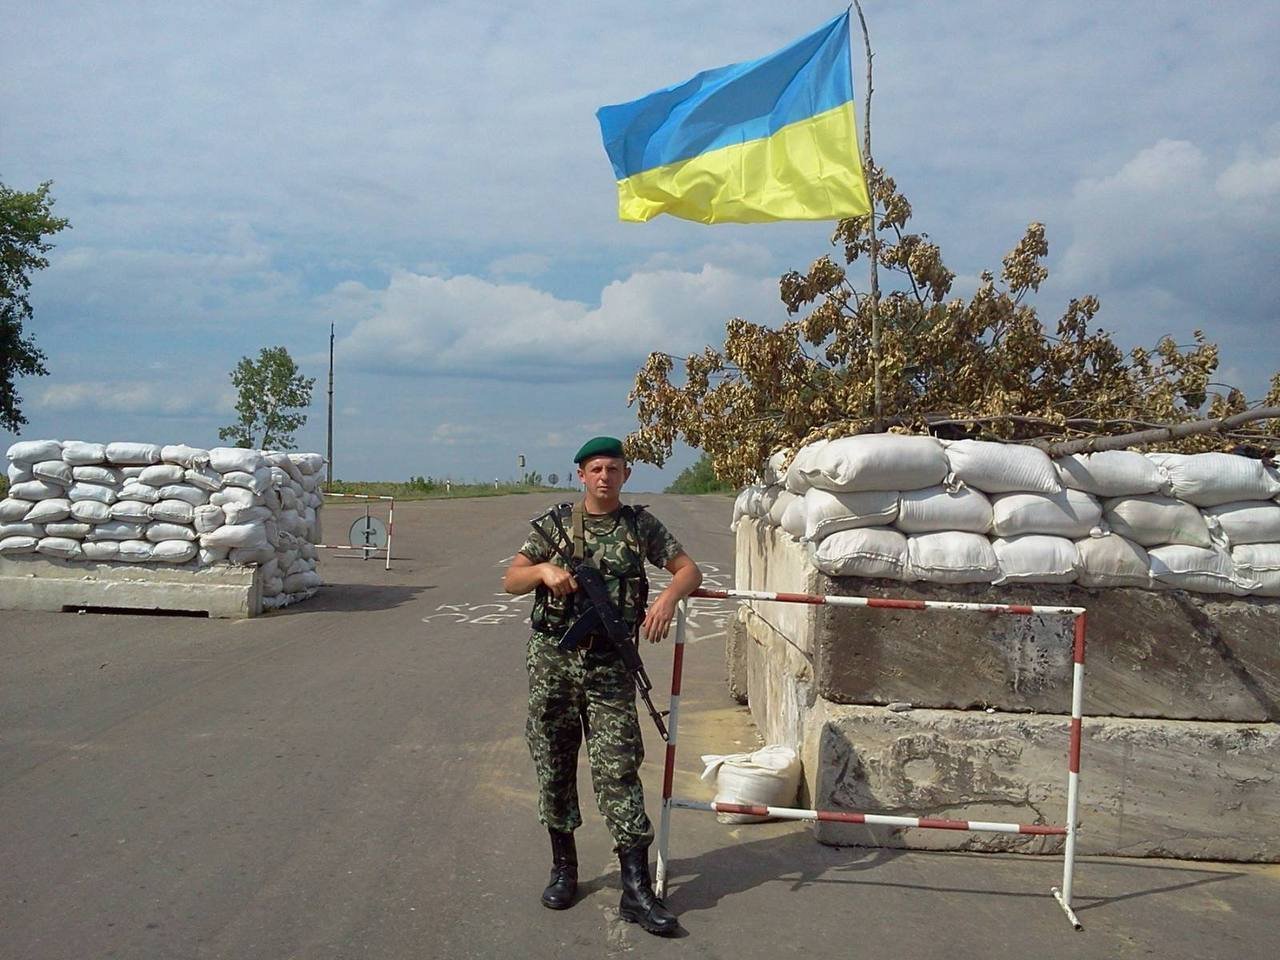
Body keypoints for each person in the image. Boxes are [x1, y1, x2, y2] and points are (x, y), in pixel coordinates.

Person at [503, 436, 703, 937]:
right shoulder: (555, 525)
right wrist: (545, 571)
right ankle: (564, 868)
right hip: (554, 660)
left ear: (625, 475)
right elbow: (512, 578)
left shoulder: (640, 526)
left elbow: (688, 569)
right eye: (595, 469)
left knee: (619, 765)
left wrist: (668, 598)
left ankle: (636, 886)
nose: (604, 477)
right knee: (554, 759)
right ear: (581, 475)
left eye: (613, 469)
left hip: (611, 665)